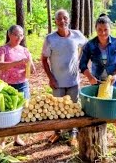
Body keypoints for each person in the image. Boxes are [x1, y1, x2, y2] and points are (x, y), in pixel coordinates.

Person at [79, 13, 116, 149]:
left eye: (105, 30)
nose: (103, 33)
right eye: (99, 30)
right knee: (97, 111)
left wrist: (115, 75)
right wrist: (90, 77)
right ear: (96, 30)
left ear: (110, 29)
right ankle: (96, 141)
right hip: (98, 82)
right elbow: (82, 65)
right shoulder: (90, 45)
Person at [41, 9, 87, 146]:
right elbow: (43, 59)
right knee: (56, 107)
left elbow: (88, 47)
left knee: (73, 106)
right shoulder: (50, 39)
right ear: (55, 21)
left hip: (73, 80)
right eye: (59, 19)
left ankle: (73, 133)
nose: (62, 21)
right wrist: (50, 78)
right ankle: (57, 133)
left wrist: (81, 61)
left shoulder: (77, 35)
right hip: (57, 81)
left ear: (69, 19)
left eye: (65, 18)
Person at [0, 25, 36, 148]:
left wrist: (31, 67)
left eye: (21, 35)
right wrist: (17, 62)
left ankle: (17, 138)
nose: (19, 37)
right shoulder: (2, 49)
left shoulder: (24, 50)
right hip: (7, 85)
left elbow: (32, 69)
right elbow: (0, 66)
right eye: (16, 35)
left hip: (22, 84)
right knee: (6, 111)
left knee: (21, 111)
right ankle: (2, 139)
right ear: (9, 34)